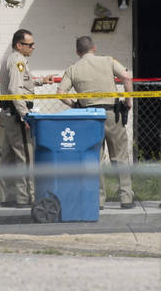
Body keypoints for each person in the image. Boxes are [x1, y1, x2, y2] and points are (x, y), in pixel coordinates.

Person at [58, 35, 136, 209]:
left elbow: (60, 93)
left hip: (89, 116)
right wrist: (128, 101)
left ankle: (98, 199)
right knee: (120, 157)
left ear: (77, 52)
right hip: (111, 114)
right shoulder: (108, 61)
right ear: (94, 47)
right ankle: (126, 197)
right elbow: (127, 77)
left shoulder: (73, 69)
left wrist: (75, 105)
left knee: (94, 159)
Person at [0, 29, 37, 208]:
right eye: (30, 45)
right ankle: (26, 197)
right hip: (17, 114)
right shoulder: (18, 61)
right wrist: (25, 115)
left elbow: (23, 82)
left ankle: (8, 196)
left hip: (9, 113)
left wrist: (41, 81)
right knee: (25, 156)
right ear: (19, 45)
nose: (33, 47)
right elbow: (15, 89)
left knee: (8, 155)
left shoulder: (13, 59)